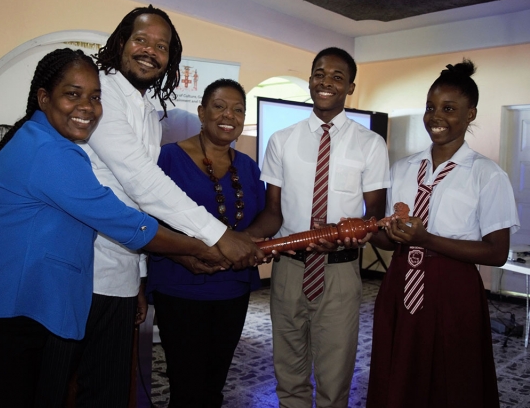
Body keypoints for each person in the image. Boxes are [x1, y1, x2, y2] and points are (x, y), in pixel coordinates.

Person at [0, 48, 220, 408]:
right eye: (73, 94)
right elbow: (120, 220)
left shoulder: (49, 143)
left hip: (12, 317)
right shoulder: (47, 150)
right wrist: (199, 245)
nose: (87, 106)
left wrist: (164, 265)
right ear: (43, 98)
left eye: (95, 97)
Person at [37, 6, 265, 407]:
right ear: (121, 41)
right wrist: (218, 236)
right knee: (61, 387)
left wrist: (139, 278)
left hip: (119, 274)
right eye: (141, 40)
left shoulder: (147, 112)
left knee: (105, 388)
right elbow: (142, 182)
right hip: (79, 271)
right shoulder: (102, 94)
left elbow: (137, 206)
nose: (150, 51)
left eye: (161, 46)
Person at [366, 60, 519, 408]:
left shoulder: (487, 175)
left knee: (451, 379)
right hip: (401, 281)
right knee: (400, 371)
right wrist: (366, 232)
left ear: (470, 115)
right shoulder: (403, 167)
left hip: (453, 289)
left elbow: (497, 252)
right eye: (431, 107)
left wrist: (428, 240)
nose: (436, 117)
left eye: (449, 109)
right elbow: (392, 240)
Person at [246, 47, 390, 408]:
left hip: (340, 274)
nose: (326, 82)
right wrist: (240, 241)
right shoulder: (282, 140)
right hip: (289, 270)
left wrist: (345, 238)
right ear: (310, 80)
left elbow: (374, 214)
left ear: (350, 87)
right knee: (289, 373)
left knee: (335, 376)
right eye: (320, 74)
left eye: (337, 76)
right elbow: (273, 212)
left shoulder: (370, 144)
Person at [147, 79, 265, 407]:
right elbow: (146, 221)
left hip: (233, 288)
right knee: (187, 386)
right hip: (182, 285)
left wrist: (245, 244)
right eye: (219, 106)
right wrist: (188, 254)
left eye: (238, 109)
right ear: (202, 112)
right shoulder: (167, 159)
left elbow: (265, 217)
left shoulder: (248, 166)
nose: (229, 115)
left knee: (214, 384)